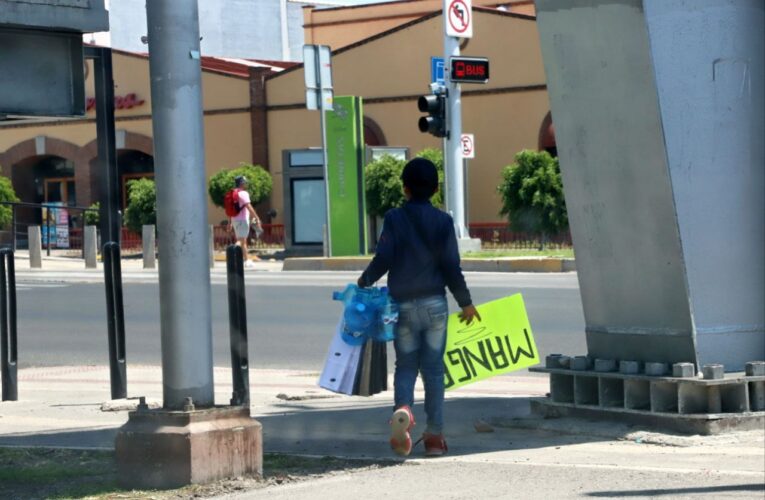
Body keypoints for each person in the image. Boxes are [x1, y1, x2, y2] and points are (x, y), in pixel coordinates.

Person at [357, 157, 480, 457]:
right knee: (435, 372)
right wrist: (466, 303)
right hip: (435, 305)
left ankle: (403, 410)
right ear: (436, 189)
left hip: (403, 307)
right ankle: (435, 438)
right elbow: (452, 266)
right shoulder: (443, 221)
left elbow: (383, 258)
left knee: (406, 366)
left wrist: (364, 281)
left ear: (405, 188)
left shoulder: (394, 218)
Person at [229, 175, 261, 267]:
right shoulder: (243, 193)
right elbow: (249, 207)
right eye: (245, 182)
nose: (246, 184)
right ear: (242, 183)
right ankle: (232, 254)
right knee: (241, 241)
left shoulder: (232, 193)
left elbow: (230, 209)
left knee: (242, 240)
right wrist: (257, 218)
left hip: (235, 219)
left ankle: (246, 260)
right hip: (242, 220)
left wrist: (230, 222)